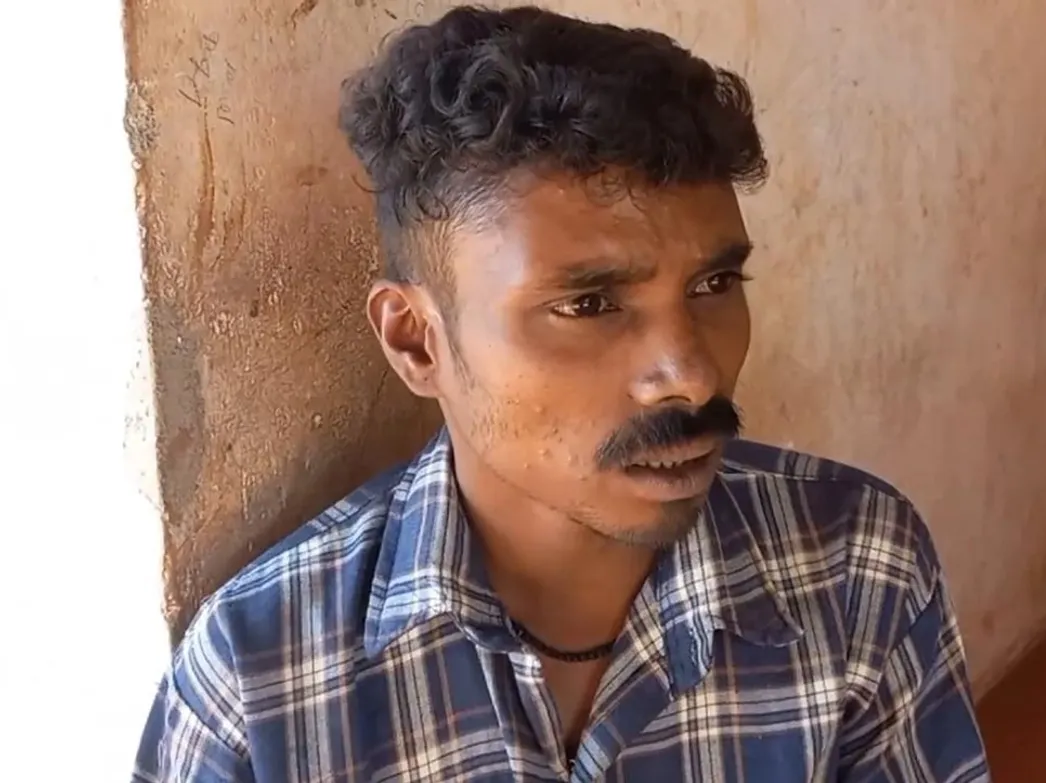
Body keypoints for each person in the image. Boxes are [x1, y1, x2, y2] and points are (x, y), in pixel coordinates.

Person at [133, 5, 989, 782]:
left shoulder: (856, 566)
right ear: (417, 341)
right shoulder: (264, 684)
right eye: (588, 304)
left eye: (714, 284)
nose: (691, 374)